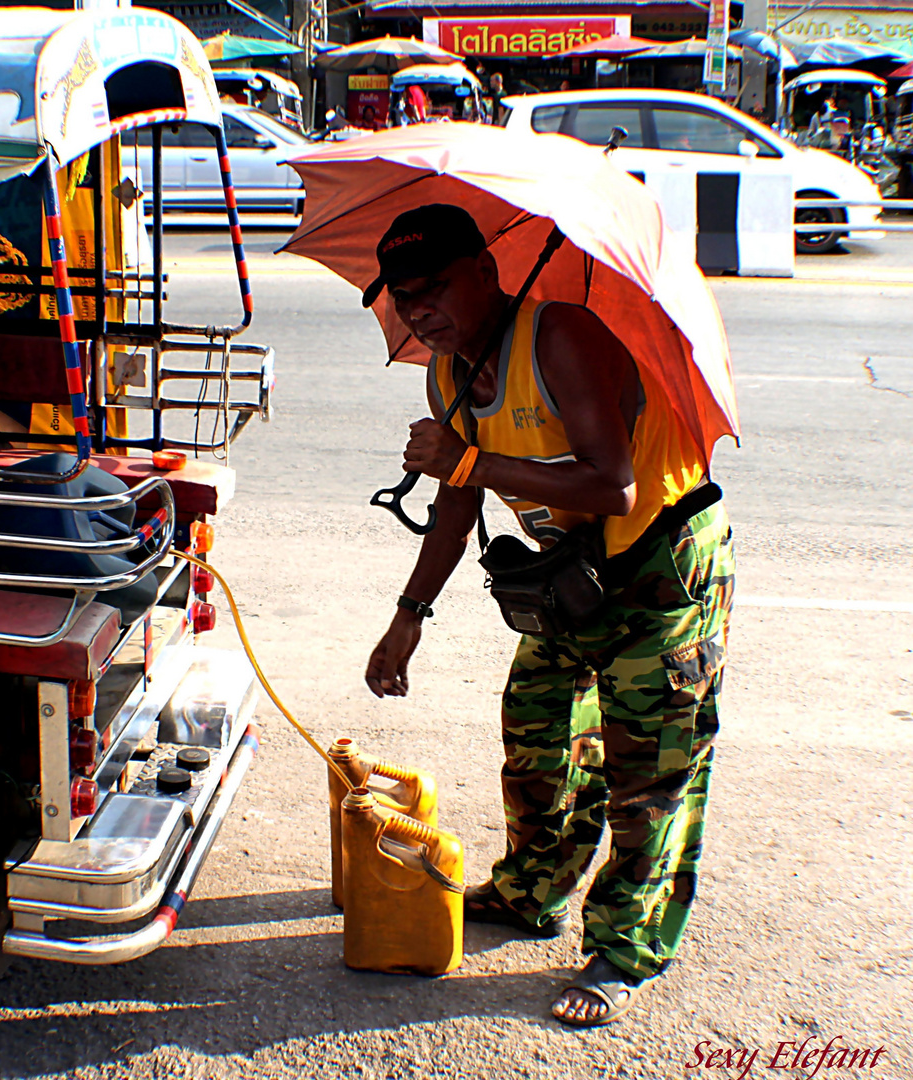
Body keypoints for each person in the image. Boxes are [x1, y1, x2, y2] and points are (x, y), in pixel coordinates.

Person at [361, 204, 734, 1027]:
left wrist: (470, 456)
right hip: (575, 573)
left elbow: (615, 486)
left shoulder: (561, 336)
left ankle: (626, 949)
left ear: (486, 273)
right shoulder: (448, 371)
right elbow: (457, 509)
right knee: (535, 728)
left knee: (648, 768)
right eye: (401, 297)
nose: (418, 310)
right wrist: (408, 615)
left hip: (662, 564)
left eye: (434, 288)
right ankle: (534, 890)